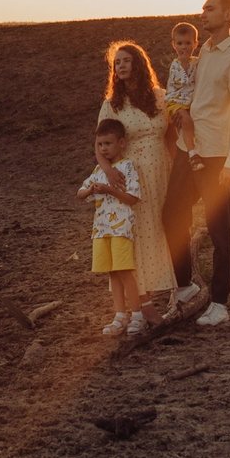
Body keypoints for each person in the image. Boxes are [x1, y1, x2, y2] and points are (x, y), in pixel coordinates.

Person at [178, 0, 230, 327]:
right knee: (171, 213)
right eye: (203, 8)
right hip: (189, 149)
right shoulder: (204, 53)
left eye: (209, 9)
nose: (202, 13)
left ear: (227, 15)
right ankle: (185, 286)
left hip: (217, 156)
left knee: (219, 229)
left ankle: (220, 303)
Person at [95, 40, 179, 311]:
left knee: (160, 228)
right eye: (117, 62)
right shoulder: (112, 104)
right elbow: (99, 144)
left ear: (139, 64)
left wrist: (177, 171)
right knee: (138, 231)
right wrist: (109, 171)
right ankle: (141, 299)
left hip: (161, 169)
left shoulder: (160, 97)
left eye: (126, 60)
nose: (121, 66)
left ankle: (166, 287)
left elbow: (171, 137)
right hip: (130, 174)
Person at [78, 118, 147, 335]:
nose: (103, 149)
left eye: (108, 143)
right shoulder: (99, 170)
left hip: (121, 229)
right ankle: (120, 315)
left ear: (121, 143)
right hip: (101, 230)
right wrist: (91, 190)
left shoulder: (127, 167)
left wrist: (109, 190)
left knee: (124, 271)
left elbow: (133, 198)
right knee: (113, 273)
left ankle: (138, 315)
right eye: (100, 145)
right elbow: (80, 193)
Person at [158, 21, 204, 305]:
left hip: (193, 107)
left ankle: (183, 280)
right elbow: (177, 89)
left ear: (195, 44)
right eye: (179, 43)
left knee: (179, 211)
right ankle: (191, 151)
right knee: (185, 121)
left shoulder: (199, 63)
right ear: (173, 45)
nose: (184, 48)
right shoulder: (177, 66)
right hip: (178, 104)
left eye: (188, 43)